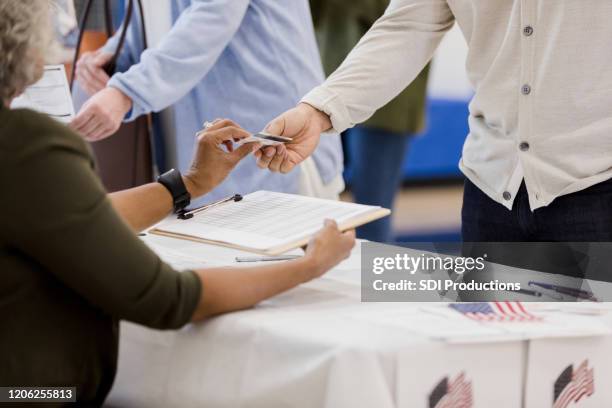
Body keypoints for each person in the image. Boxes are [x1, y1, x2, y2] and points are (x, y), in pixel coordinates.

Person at [0, 2, 355, 405]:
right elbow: (167, 297)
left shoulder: (22, 151)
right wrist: (307, 266)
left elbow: (207, 18)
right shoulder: (26, 145)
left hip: (276, 157)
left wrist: (187, 182)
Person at [256, 0, 612, 242]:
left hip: (595, 182)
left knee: (593, 351)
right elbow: (407, 27)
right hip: (490, 186)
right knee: (490, 346)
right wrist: (316, 112)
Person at [71, 0, 344, 204]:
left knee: (290, 270)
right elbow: (160, 16)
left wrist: (127, 91)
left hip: (273, 140)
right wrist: (112, 54)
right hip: (210, 148)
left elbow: (210, 19)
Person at [310, 0, 430, 242]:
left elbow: (398, 19)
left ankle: (378, 278)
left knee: (371, 218)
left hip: (387, 105)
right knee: (315, 211)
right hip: (328, 95)